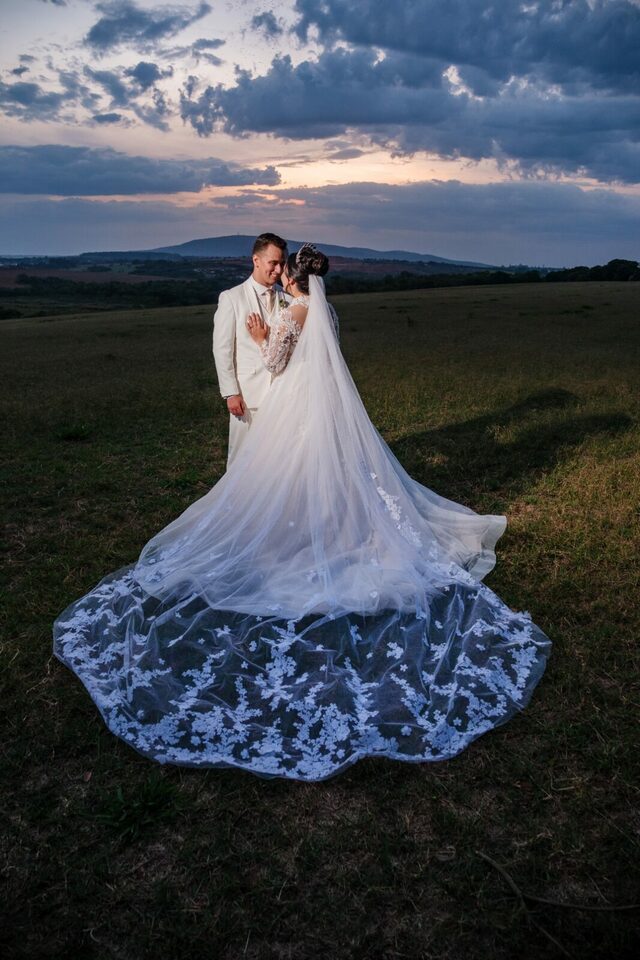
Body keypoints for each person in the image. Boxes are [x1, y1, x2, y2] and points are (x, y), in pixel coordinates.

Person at [53, 243, 551, 782]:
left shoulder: (294, 309)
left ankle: (291, 539)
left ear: (292, 275)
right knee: (328, 478)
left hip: (293, 413)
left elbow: (275, 362)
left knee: (284, 481)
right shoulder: (325, 309)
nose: (279, 272)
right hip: (321, 413)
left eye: (284, 267)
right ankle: (332, 531)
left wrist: (263, 338)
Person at [212, 232, 289, 468]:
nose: (278, 270)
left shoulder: (287, 299)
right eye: (273, 263)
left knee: (278, 460)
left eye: (282, 263)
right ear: (256, 260)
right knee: (242, 460)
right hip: (247, 397)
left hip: (283, 395)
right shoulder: (232, 298)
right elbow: (222, 349)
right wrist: (231, 392)